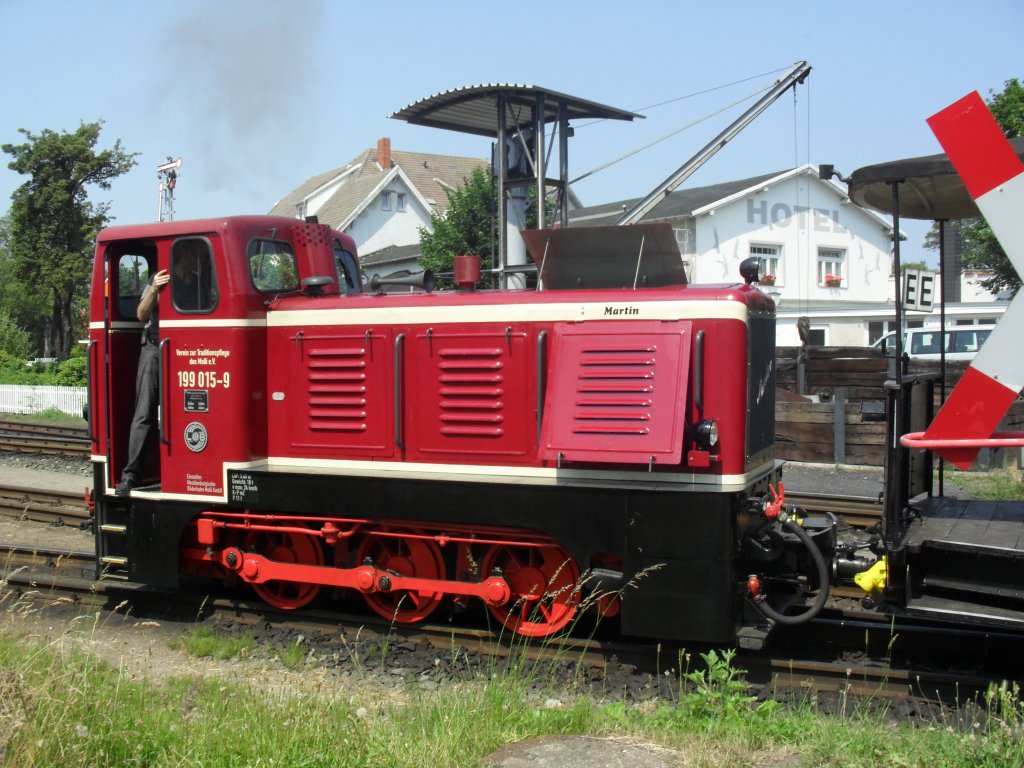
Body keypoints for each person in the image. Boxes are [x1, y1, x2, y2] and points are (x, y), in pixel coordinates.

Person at [115, 240, 208, 495]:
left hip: (187, 352)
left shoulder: (198, 281)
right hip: (155, 349)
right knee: (144, 413)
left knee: (186, 413)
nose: (198, 258)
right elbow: (141, 314)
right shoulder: (159, 278)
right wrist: (155, 289)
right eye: (195, 253)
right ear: (185, 253)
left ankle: (182, 473)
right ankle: (130, 477)